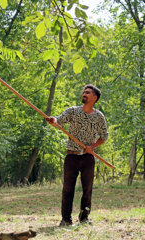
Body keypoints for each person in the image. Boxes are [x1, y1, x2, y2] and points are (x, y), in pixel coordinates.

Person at [45, 84, 108, 226]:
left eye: (87, 93)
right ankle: (66, 220)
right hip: (71, 157)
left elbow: (104, 136)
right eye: (84, 92)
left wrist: (92, 146)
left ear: (94, 98)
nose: (84, 94)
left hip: (88, 158)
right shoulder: (73, 111)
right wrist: (53, 120)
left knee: (87, 190)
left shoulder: (99, 117)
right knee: (67, 189)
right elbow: (59, 120)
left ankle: (84, 218)